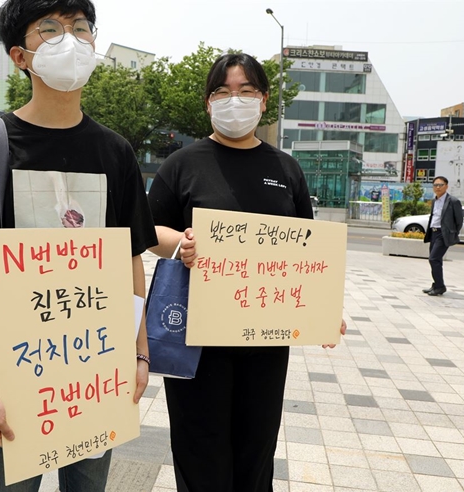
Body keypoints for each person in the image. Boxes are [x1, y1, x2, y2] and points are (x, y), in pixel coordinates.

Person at [0, 0, 157, 490]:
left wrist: (139, 355)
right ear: (19, 56)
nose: (71, 41)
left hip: (95, 372)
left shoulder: (116, 152)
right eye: (50, 30)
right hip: (15, 379)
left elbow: (129, 259)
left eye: (81, 28)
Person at [147, 53, 346, 492]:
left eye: (246, 91)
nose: (233, 101)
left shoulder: (286, 169)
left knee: (256, 451)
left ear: (264, 99)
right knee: (201, 449)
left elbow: (307, 252)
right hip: (198, 340)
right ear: (208, 103)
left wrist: (325, 307)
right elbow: (146, 230)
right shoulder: (183, 164)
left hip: (266, 339)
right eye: (222, 92)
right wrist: (181, 243)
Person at [422, 176, 463, 296]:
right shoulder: (435, 200)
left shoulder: (453, 201)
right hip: (433, 232)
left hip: (443, 234)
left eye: (440, 185)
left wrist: (452, 233)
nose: (438, 187)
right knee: (435, 260)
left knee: (433, 259)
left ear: (446, 186)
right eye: (435, 185)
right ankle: (436, 284)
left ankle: (440, 286)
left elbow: (459, 220)